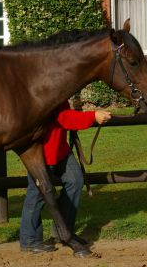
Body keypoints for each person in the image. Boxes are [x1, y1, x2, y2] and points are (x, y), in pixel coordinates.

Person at [19, 102, 111, 253]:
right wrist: (93, 116)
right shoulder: (48, 86)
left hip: (59, 149)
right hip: (40, 153)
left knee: (75, 180)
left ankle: (63, 231)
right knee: (36, 194)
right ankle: (29, 239)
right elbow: (65, 118)